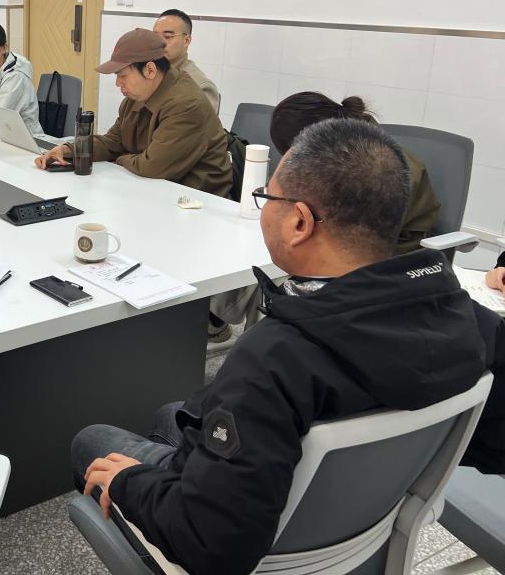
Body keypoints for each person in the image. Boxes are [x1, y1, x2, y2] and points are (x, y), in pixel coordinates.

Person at [72, 118, 505, 575]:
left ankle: (169, 477)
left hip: (251, 536)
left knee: (92, 441)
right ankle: (185, 464)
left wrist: (130, 483)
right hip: (364, 525)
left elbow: (213, 546)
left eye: (267, 198)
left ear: (299, 222)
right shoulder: (473, 321)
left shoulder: (272, 360)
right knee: (171, 415)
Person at [36, 28, 232, 197]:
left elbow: (152, 166)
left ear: (150, 70)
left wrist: (120, 158)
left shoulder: (186, 104)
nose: (118, 83)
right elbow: (113, 141)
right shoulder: (138, 96)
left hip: (198, 201)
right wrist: (69, 150)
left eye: (123, 76)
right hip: (154, 191)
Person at [270, 91, 440, 255]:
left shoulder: (381, 167)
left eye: (295, 154)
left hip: (395, 254)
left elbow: (362, 237)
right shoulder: (341, 150)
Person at [152, 9, 219, 113]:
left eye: (167, 36)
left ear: (186, 40)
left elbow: (199, 123)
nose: (159, 42)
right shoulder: (150, 73)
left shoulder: (200, 85)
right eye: (155, 36)